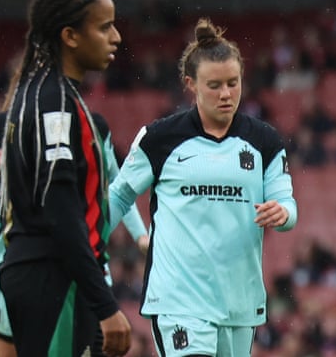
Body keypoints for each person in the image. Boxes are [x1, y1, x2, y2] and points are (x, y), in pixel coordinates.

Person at [107, 18, 298, 356]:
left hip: (239, 301)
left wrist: (282, 213)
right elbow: (120, 195)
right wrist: (86, 246)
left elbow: (287, 204)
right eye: (214, 85)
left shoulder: (265, 141)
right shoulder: (160, 138)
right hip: (178, 300)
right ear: (190, 84)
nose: (226, 94)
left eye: (233, 83)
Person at [0, 0, 132, 357]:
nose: (116, 37)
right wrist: (104, 304)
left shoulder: (41, 93)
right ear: (70, 36)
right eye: (104, 27)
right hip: (54, 278)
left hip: (47, 276)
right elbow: (60, 211)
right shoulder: (53, 102)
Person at [0, 111, 149, 357]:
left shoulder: (93, 125)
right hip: (16, 272)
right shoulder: (1, 127)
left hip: (83, 273)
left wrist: (140, 236)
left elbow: (119, 188)